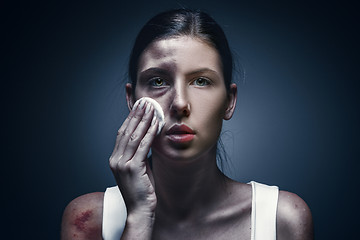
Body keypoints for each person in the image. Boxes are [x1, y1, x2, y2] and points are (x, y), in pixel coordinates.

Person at [61, 9, 313, 240]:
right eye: (158, 81)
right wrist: (138, 218)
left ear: (229, 101)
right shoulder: (89, 220)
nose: (180, 103)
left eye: (201, 81)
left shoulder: (284, 219)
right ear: (132, 99)